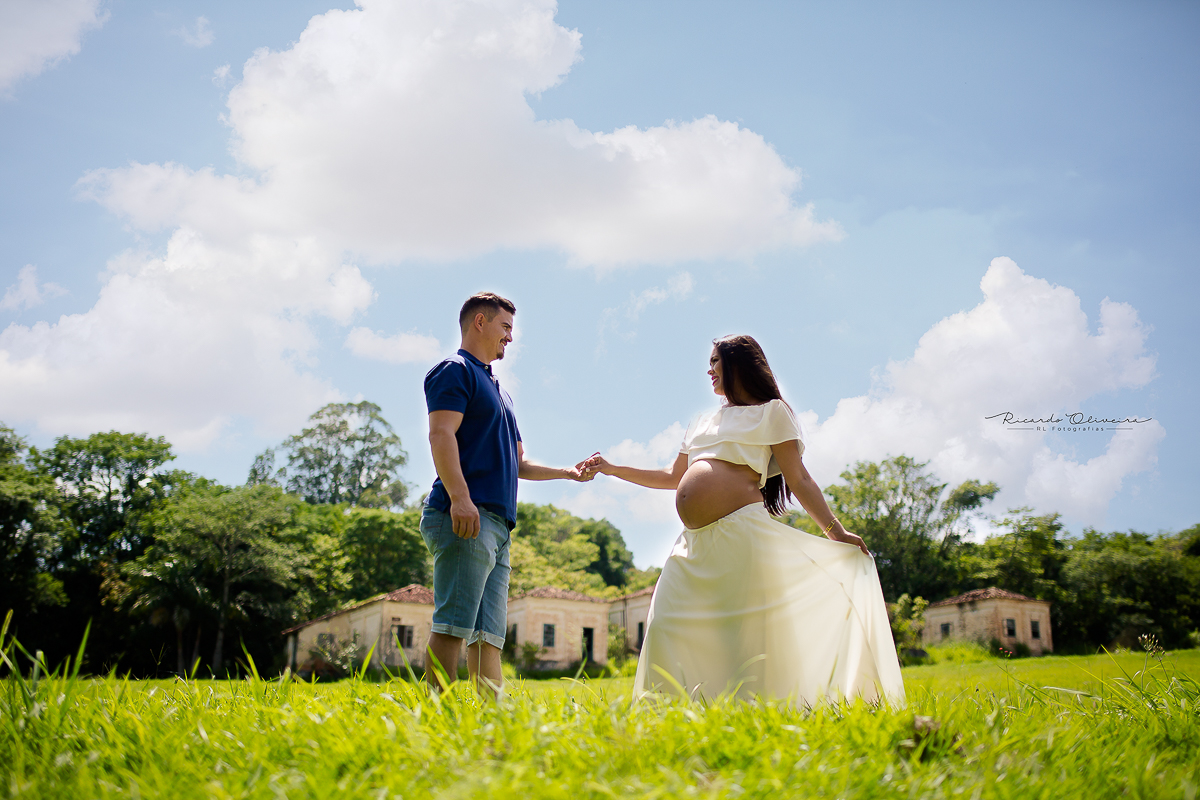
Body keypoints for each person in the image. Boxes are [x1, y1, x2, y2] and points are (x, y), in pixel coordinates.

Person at [583, 335, 905, 707]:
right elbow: (673, 477)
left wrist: (836, 531)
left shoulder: (773, 412)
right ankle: (666, 712)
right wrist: (612, 468)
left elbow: (799, 479)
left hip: (741, 534)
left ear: (738, 364)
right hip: (693, 542)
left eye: (716, 361)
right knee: (665, 623)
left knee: (744, 636)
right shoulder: (702, 421)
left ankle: (756, 712)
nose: (709, 370)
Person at [421, 292, 592, 696]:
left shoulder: (500, 392)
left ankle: (491, 722)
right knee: (453, 624)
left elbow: (518, 464)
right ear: (480, 322)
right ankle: (434, 717)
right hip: (464, 514)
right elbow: (440, 434)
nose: (510, 339)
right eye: (506, 328)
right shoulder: (454, 371)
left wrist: (567, 473)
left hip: (497, 525)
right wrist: (460, 498)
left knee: (488, 635)